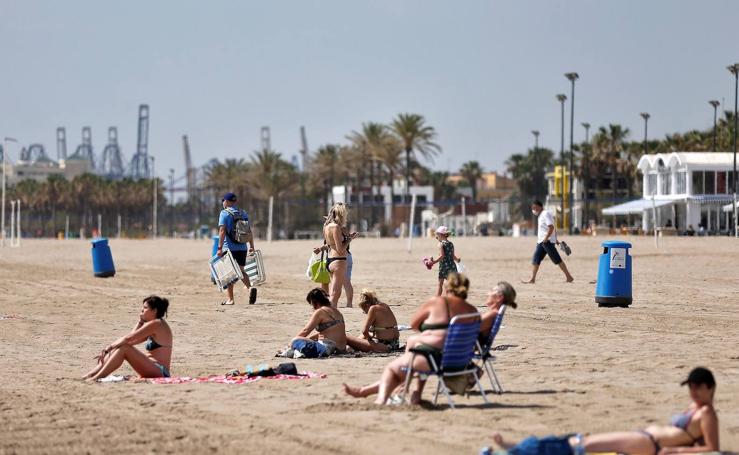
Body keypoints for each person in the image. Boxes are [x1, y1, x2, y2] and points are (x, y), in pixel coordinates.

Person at [486, 367, 720, 455]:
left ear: (710, 388)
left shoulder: (707, 413)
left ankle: (517, 449)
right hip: (644, 440)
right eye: (690, 387)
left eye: (697, 387)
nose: (693, 392)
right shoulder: (696, 407)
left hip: (650, 445)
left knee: (580, 445)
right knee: (580, 443)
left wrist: (675, 451)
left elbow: (712, 447)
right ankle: (519, 449)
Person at [342, 273, 477, 405]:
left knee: (393, 369)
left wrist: (429, 330)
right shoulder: (473, 311)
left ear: (447, 288)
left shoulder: (438, 302)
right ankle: (413, 394)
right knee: (414, 361)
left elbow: (414, 324)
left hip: (437, 359)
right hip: (461, 361)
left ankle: (380, 399)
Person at [83, 296, 172, 381]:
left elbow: (128, 338)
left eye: (145, 308)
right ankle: (91, 374)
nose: (142, 310)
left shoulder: (156, 324)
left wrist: (108, 348)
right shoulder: (154, 325)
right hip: (152, 367)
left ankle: (97, 377)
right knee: (122, 346)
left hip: (160, 371)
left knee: (124, 347)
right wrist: (140, 322)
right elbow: (132, 341)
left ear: (154, 310)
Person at [217, 192, 256, 306]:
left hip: (229, 248)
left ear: (227, 201)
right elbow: (248, 231)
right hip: (242, 247)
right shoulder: (243, 213)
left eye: (223, 201)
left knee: (229, 274)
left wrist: (219, 248)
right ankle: (249, 288)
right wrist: (251, 246)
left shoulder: (224, 213)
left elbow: (222, 231)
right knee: (241, 271)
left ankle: (230, 299)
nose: (223, 203)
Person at [522, 200, 574, 284]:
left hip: (547, 241)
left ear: (539, 206)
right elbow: (550, 228)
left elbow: (551, 227)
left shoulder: (546, 213)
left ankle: (569, 277)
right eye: (532, 208)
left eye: (534, 208)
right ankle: (532, 279)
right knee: (536, 259)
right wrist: (556, 240)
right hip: (541, 242)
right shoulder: (540, 216)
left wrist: (548, 238)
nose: (533, 210)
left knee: (557, 259)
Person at [290, 288, 347, 356]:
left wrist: (292, 343)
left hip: (327, 348)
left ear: (315, 302)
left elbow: (305, 330)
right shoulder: (337, 311)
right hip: (341, 349)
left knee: (295, 340)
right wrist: (308, 339)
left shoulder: (321, 311)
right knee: (305, 340)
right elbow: (329, 331)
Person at [322, 202, 350, 307]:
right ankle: (330, 314)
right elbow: (340, 249)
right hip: (338, 260)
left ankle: (329, 312)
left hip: (329, 260)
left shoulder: (326, 226)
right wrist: (349, 240)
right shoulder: (336, 227)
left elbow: (329, 244)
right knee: (335, 294)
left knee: (332, 292)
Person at [479, 281, 517, 345]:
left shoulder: (492, 315)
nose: (488, 293)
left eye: (491, 291)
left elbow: (465, 331)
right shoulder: (495, 314)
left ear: (499, 297)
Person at [428, 226, 461, 296]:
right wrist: (457, 260)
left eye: (437, 235)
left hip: (444, 267)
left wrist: (433, 262)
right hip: (452, 266)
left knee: (440, 284)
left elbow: (442, 256)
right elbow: (453, 256)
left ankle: (437, 299)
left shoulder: (440, 244)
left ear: (440, 234)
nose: (436, 236)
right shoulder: (451, 244)